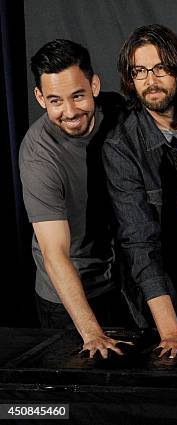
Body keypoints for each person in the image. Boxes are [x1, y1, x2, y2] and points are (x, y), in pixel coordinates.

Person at [103, 24, 177, 358]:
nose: (150, 81)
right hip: (164, 293)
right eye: (139, 71)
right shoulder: (121, 145)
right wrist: (171, 332)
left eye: (160, 68)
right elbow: (139, 241)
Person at [19, 39, 131, 358]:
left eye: (78, 96)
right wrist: (92, 333)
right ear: (40, 98)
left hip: (119, 284)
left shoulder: (118, 112)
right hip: (67, 299)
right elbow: (55, 254)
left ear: (94, 85)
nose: (69, 112)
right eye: (55, 100)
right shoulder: (38, 155)